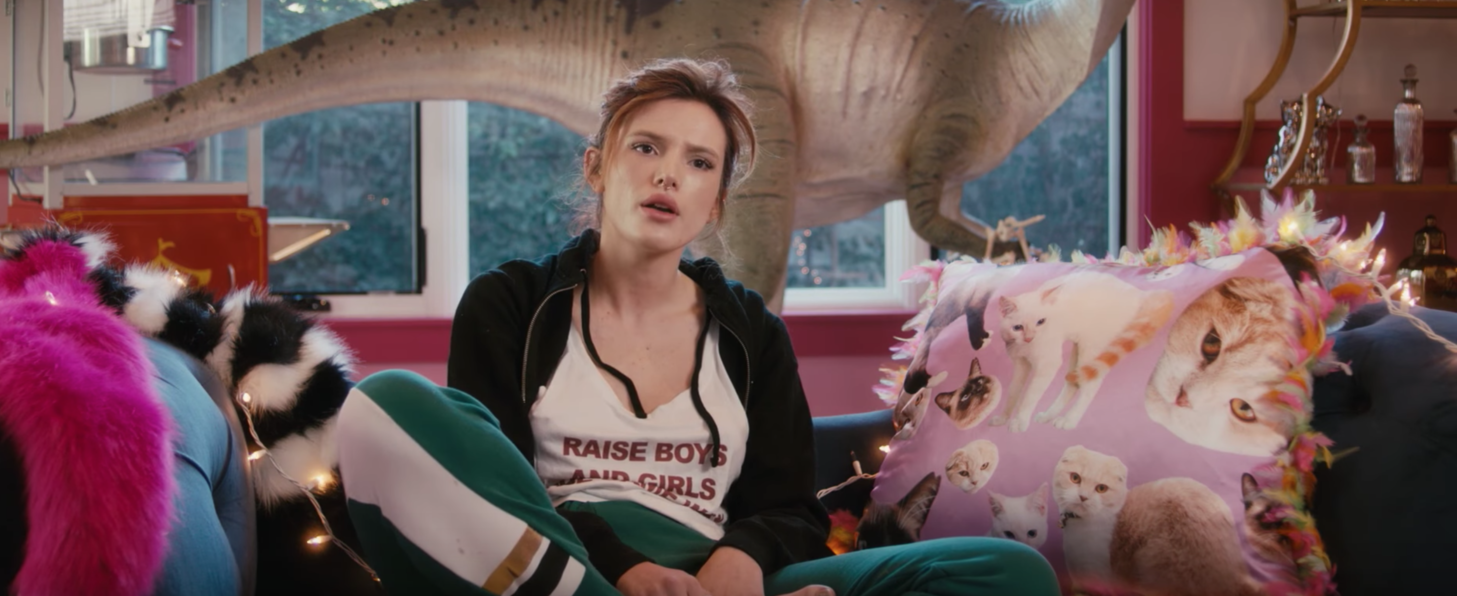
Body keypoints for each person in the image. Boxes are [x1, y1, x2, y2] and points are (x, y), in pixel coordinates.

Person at [336, 58, 1061, 596]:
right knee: (386, 402)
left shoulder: (752, 331)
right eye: (645, 147)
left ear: (715, 202)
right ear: (597, 167)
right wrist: (623, 568)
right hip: (570, 568)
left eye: (699, 161)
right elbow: (499, 488)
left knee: (1006, 572)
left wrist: (739, 559)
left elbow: (789, 510)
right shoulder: (510, 303)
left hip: (716, 580)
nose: (668, 175)